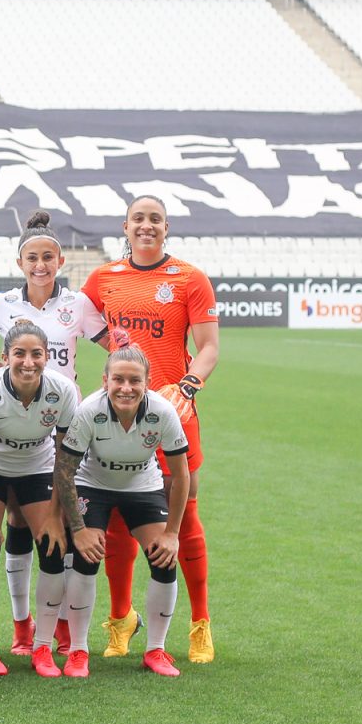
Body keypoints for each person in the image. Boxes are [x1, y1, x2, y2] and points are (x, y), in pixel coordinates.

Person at [81, 195, 220, 663]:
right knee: (118, 520)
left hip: (173, 415)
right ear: (125, 226)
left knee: (185, 516)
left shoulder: (189, 278)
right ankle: (122, 620)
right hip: (119, 413)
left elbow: (209, 348)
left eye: (154, 219)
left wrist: (189, 385)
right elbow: (75, 317)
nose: (146, 226)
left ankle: (200, 624)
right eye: (138, 219)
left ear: (166, 227)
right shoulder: (104, 279)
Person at [0, 210, 114, 657]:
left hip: (59, 424)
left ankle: (56, 628)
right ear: (20, 263)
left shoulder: (78, 305)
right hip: (11, 426)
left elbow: (118, 348)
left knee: (58, 529)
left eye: (48, 257)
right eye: (32, 257)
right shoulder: (0, 306)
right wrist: (17, 381)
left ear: (60, 262)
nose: (40, 265)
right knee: (12, 525)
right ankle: (21, 626)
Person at [52, 347, 191, 677]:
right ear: (105, 381)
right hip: (93, 484)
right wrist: (79, 529)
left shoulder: (163, 411)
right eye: (118, 379)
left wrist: (172, 534)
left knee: (164, 556)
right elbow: (65, 470)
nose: (125, 387)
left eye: (134, 380)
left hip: (142, 485)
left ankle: (155, 650)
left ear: (148, 383)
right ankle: (78, 651)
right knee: (86, 556)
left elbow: (181, 474)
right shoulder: (89, 410)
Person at [0, 320, 83, 677]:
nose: (28, 362)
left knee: (53, 546)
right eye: (19, 353)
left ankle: (42, 648)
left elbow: (66, 455)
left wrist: (55, 513)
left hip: (39, 467)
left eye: (37, 354)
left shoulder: (63, 390)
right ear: (5, 356)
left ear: (47, 357)